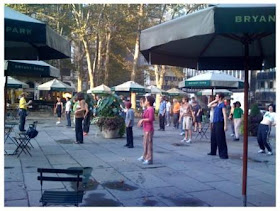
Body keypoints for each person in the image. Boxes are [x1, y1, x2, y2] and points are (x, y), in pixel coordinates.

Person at [207, 93, 228, 159]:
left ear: (220, 97)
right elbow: (209, 105)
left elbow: (224, 115)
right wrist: (215, 101)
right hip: (215, 122)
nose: (216, 97)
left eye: (217, 96)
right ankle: (213, 151)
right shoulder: (216, 105)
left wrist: (225, 125)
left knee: (220, 138)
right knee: (213, 137)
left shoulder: (222, 105)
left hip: (220, 122)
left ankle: (223, 154)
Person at [137, 96, 155, 165]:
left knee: (149, 144)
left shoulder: (150, 109)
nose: (145, 101)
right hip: (146, 128)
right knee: (145, 143)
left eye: (146, 100)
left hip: (149, 128)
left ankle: (149, 158)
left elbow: (151, 119)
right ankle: (144, 155)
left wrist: (142, 120)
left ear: (148, 102)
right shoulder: (147, 109)